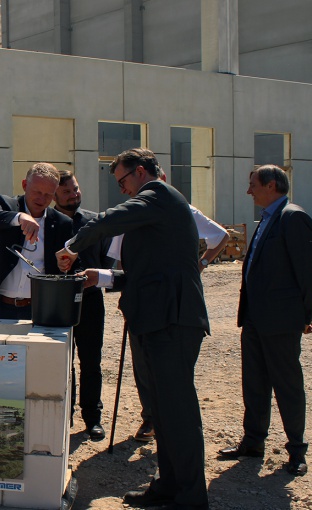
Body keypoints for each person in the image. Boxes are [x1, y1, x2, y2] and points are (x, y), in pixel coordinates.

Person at [57, 148, 209, 510]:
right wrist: (103, 276)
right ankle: (168, 486)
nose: (123, 190)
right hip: (153, 319)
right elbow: (148, 272)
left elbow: (108, 221)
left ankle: (189, 497)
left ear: (141, 173)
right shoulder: (156, 208)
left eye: (123, 181)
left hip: (171, 321)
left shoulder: (157, 196)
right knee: (161, 411)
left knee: (178, 413)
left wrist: (73, 246)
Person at [106, 169, 229, 443]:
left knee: (171, 369)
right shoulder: (129, 212)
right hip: (140, 299)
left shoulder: (180, 208)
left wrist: (200, 265)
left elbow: (220, 236)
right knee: (142, 362)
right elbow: (122, 260)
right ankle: (150, 416)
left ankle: (170, 426)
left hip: (172, 303)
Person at [217, 165, 312, 477]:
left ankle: (297, 451)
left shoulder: (293, 217)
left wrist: (304, 316)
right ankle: (253, 442)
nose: (249, 191)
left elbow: (308, 274)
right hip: (255, 319)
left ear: (271, 185)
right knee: (255, 384)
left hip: (280, 321)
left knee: (287, 386)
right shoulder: (267, 219)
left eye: (253, 185)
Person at [0, 163, 73, 319]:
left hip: (39, 307)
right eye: (37, 192)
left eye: (48, 194)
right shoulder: (8, 205)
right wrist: (19, 218)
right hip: (0, 306)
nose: (42, 199)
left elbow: (68, 263)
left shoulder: (62, 223)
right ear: (24, 185)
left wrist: (65, 264)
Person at [53, 170, 113, 441]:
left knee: (91, 361)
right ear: (55, 195)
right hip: (55, 302)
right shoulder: (47, 223)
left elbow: (107, 261)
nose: (73, 194)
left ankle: (92, 418)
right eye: (66, 191)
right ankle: (63, 417)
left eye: (75, 189)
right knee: (61, 362)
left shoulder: (94, 222)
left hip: (90, 301)